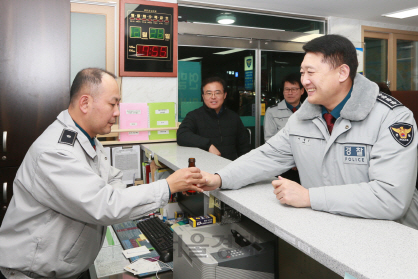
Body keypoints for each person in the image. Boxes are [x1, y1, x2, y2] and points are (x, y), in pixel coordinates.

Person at [0, 68, 205, 279]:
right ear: (85, 103)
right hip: (33, 273)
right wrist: (168, 185)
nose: (117, 112)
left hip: (66, 268)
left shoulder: (88, 139)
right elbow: (105, 205)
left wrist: (112, 200)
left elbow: (113, 179)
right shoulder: (56, 152)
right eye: (112, 103)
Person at [200, 34, 418, 230]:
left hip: (390, 238)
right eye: (303, 72)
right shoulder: (302, 118)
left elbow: (391, 198)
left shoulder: (393, 118)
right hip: (330, 227)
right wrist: (220, 178)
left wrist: (309, 197)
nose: (304, 80)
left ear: (342, 72)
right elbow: (267, 156)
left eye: (311, 72)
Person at [177, 77, 251, 160]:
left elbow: (244, 148)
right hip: (205, 169)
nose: (213, 97)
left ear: (224, 95)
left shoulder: (234, 117)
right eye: (208, 93)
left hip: (229, 168)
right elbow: (182, 135)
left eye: (217, 93)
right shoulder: (194, 116)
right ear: (203, 96)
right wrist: (208, 145)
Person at [264, 73, 305, 141]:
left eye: (294, 89)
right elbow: (269, 140)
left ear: (302, 91)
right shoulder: (272, 112)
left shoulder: (309, 110)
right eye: (287, 89)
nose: (290, 93)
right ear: (283, 91)